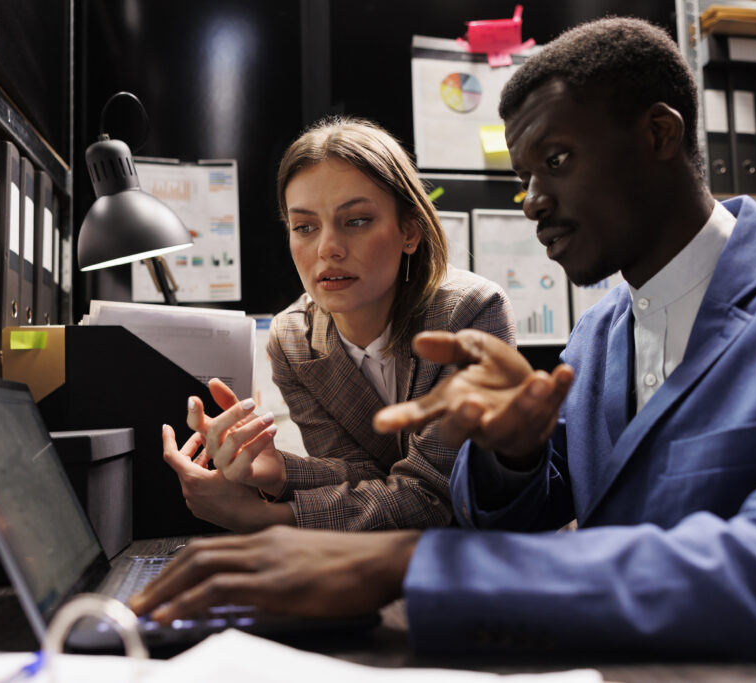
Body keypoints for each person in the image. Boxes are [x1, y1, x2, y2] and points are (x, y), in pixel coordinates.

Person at [132, 17, 756, 682]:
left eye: (556, 161)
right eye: (524, 173)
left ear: (659, 135)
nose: (533, 202)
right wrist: (514, 454)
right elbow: (533, 504)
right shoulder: (604, 328)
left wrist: (405, 562)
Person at [162, 116, 515, 532]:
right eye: (305, 227)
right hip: (381, 559)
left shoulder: (469, 313)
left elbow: (434, 497)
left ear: (410, 232)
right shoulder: (292, 340)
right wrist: (278, 472)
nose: (327, 248)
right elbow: (361, 476)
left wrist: (266, 518)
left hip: (490, 556)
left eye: (357, 220)